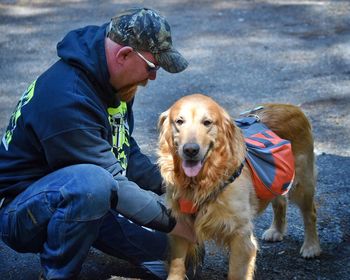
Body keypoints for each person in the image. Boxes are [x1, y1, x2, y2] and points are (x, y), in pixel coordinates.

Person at [0, 7, 196, 280]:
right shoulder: (68, 99)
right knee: (95, 183)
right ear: (124, 54)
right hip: (21, 212)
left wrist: (181, 185)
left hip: (80, 194)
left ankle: (83, 226)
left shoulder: (115, 82)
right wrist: (173, 223)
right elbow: (113, 181)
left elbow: (126, 154)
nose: (153, 77)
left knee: (185, 258)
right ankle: (59, 273)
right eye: (153, 67)